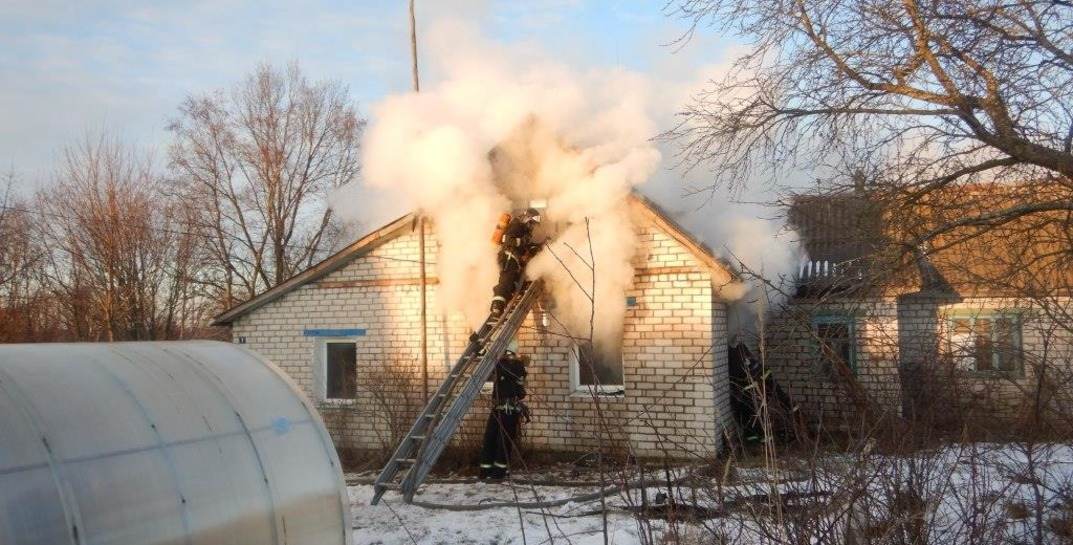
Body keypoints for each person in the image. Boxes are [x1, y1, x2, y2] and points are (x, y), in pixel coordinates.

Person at [478, 350, 529, 480]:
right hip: (497, 408)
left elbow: (511, 374)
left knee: (503, 441)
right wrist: (481, 351)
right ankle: (485, 470)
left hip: (509, 409)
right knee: (489, 438)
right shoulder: (500, 364)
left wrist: (495, 360)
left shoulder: (517, 366)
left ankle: (499, 472)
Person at [489, 208, 542, 317]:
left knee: (512, 284)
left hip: (513, 260)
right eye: (532, 223)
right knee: (506, 282)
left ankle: (501, 306)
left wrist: (537, 246)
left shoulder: (524, 230)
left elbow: (524, 246)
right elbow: (506, 239)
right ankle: (496, 306)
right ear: (528, 219)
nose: (532, 227)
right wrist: (522, 242)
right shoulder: (517, 226)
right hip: (508, 258)